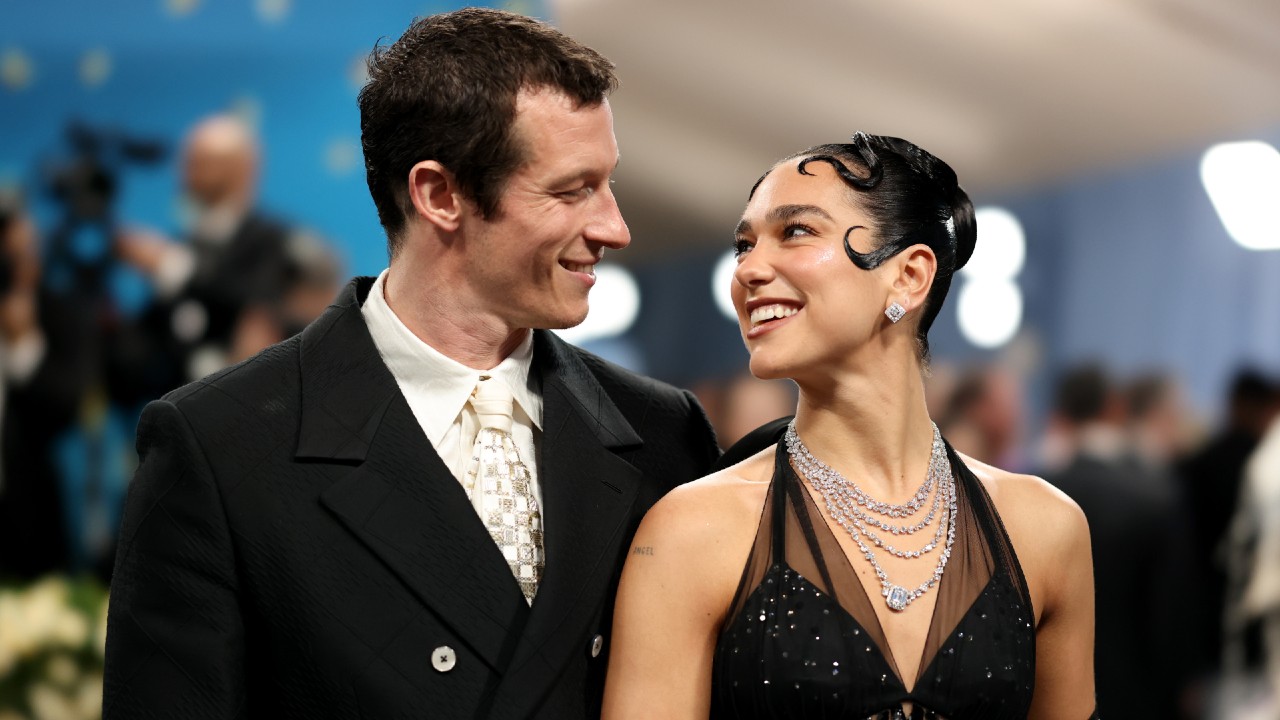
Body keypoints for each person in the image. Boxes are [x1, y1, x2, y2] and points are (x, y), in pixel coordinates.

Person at [102, 9, 719, 720]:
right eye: (572, 189)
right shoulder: (219, 446)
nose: (616, 227)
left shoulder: (664, 432)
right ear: (440, 195)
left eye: (607, 184)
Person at [603, 133, 1097, 719]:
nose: (749, 270)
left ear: (909, 276)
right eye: (743, 245)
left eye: (796, 231)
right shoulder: (694, 530)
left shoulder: (1045, 528)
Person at [114, 113, 316, 397]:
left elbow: (261, 308)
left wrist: (175, 268)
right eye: (186, 162)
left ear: (242, 169)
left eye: (200, 162)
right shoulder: (183, 245)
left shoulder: (277, 244)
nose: (186, 173)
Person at [1043, 363, 1191, 717]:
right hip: (1138, 695)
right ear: (1115, 407)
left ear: (1062, 412)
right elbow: (1172, 617)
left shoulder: (1038, 492)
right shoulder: (1158, 495)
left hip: (1051, 696)